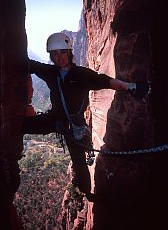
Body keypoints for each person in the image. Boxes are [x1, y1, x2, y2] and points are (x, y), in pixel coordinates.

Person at [22, 32, 150, 201]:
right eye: (54, 54)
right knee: (23, 126)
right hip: (56, 120)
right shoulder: (51, 72)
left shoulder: (82, 74)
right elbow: (31, 65)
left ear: (69, 52)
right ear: (51, 56)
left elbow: (107, 81)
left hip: (75, 125)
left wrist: (131, 86)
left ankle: (87, 193)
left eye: (62, 52)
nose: (59, 57)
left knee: (79, 162)